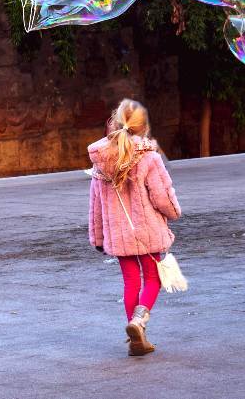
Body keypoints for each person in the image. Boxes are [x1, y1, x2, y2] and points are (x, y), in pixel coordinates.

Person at [87, 99, 182, 356]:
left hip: (119, 233)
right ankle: (138, 322)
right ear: (143, 127)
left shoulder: (100, 163)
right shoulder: (149, 157)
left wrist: (97, 237)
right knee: (152, 278)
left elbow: (96, 205)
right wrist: (174, 213)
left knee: (130, 281)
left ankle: (137, 339)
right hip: (148, 230)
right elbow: (162, 195)